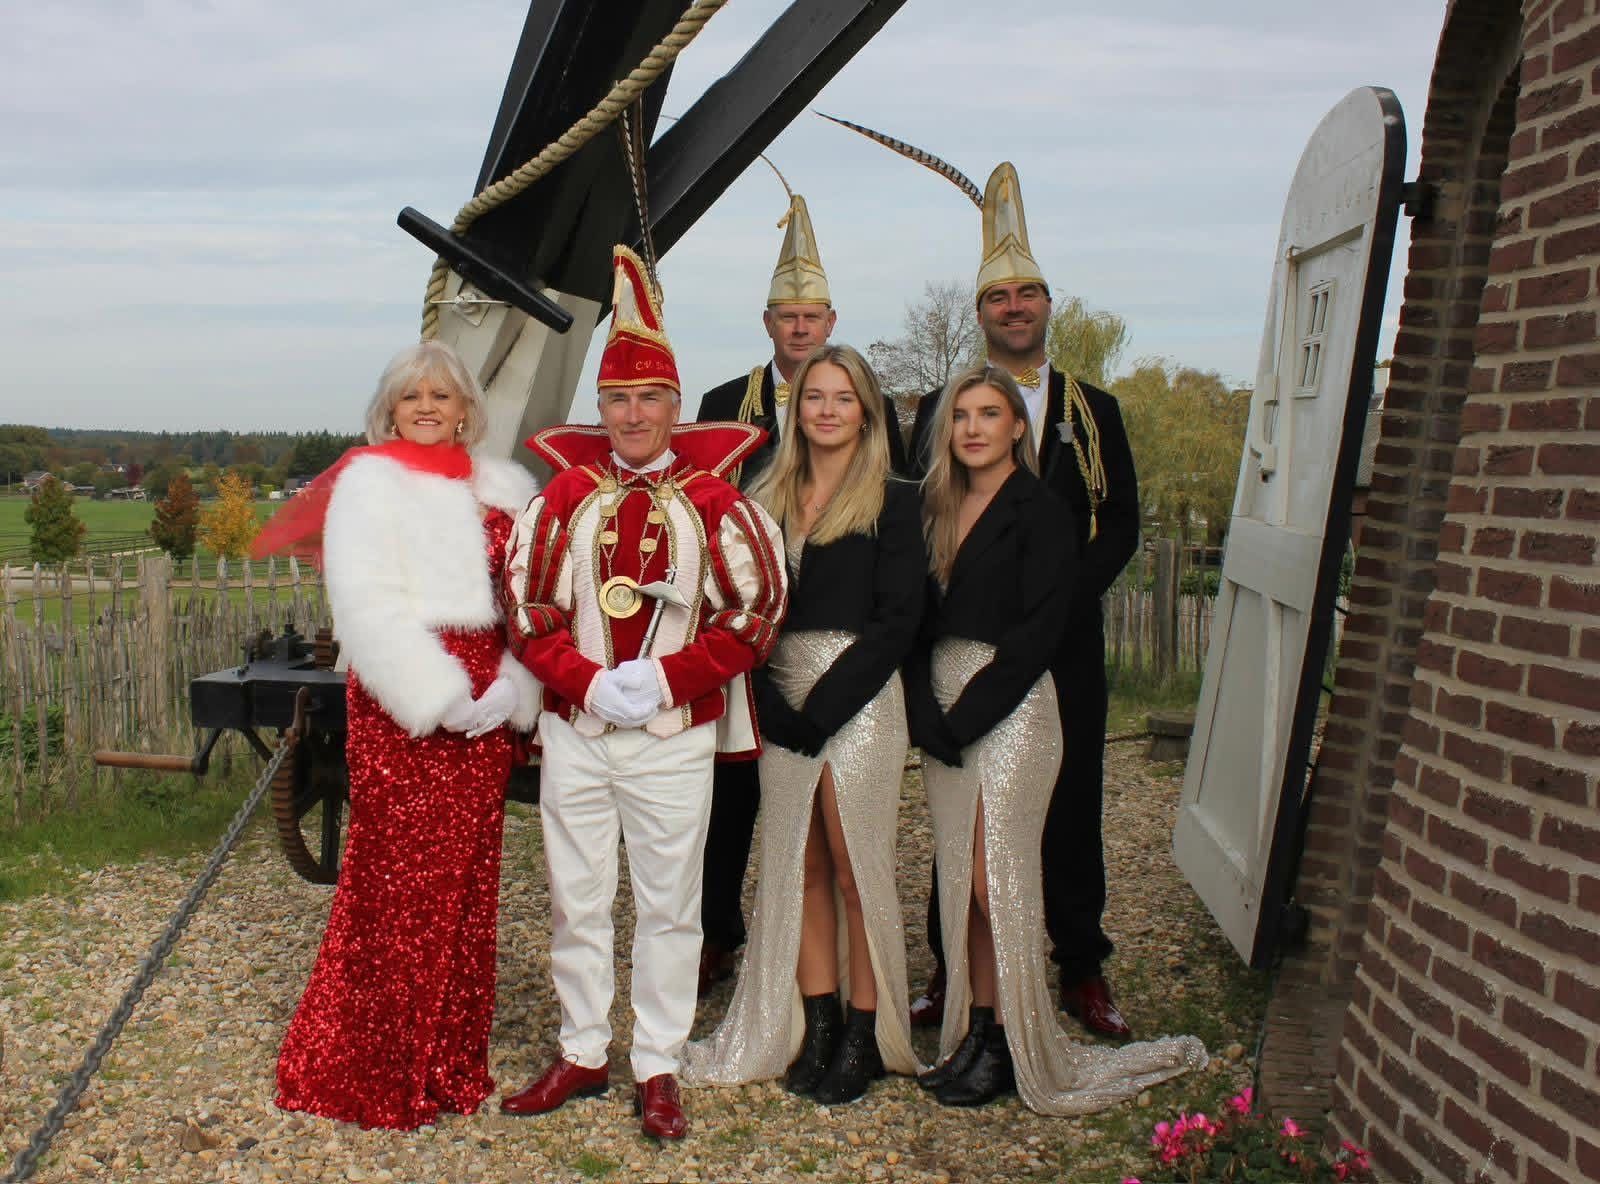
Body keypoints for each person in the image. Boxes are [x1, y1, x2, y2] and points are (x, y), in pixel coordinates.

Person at [498, 245, 787, 1141]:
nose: (632, 414)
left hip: (674, 737)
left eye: (649, 398)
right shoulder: (562, 500)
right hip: (579, 735)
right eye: (617, 399)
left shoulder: (719, 504)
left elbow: (758, 609)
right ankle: (583, 1049)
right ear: (602, 408)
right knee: (575, 896)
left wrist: (662, 679)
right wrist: (589, 684)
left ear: (674, 404)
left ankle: (657, 1062)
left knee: (670, 903)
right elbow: (526, 608)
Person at [908, 364, 1202, 1112]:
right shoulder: (936, 506)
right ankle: (975, 1030)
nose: (972, 427)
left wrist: (963, 720)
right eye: (960, 415)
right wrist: (924, 712)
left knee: (993, 880)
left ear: (1016, 426)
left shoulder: (1039, 512)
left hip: (1007, 712)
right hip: (944, 709)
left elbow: (1040, 633)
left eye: (988, 413)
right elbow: (914, 618)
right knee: (964, 889)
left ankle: (1013, 1040)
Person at [267, 340, 542, 1130]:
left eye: (442, 396)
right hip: (405, 705)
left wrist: (515, 686)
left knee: (464, 887)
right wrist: (438, 695)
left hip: (490, 705)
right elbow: (364, 605)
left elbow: (531, 599)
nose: (426, 407)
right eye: (411, 396)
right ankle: (371, 1067)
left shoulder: (506, 490)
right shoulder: (367, 484)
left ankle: (451, 1062)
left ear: (466, 410)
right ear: (390, 409)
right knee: (395, 887)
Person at [907, 163, 1142, 1038]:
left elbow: (1120, 523)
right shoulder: (943, 406)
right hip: (966, 638)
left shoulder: (1096, 408)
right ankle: (948, 969)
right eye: (998, 297)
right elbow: (918, 513)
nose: (1014, 308)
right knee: (960, 801)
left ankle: (1079, 964)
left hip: (1066, 640)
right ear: (980, 315)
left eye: (1028, 294)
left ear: (1049, 305)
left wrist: (1054, 605)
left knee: (1072, 799)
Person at [682, 344, 924, 1104]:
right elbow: (736, 605)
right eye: (813, 397)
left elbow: (898, 622)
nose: (825, 410)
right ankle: (815, 1021)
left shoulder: (897, 498)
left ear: (867, 411)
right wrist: (769, 701)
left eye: (842, 398)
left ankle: (866, 1028)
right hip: (779, 697)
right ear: (796, 410)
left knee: (855, 868)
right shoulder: (764, 496)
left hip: (859, 699)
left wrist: (823, 709)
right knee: (799, 866)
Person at [692, 192, 904, 997]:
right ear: (769, 323)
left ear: (831, 320)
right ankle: (720, 934)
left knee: (837, 840)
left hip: (845, 661)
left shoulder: (872, 419)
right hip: (749, 651)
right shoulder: (724, 411)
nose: (801, 328)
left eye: (814, 314)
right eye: (787, 315)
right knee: (731, 804)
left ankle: (845, 988)